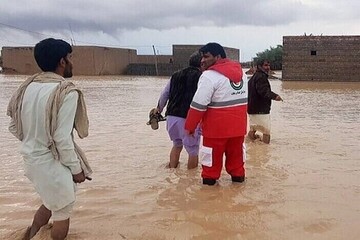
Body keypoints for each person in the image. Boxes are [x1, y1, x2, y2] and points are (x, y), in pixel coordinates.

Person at [7, 38, 92, 240]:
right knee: (62, 213)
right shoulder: (66, 92)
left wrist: (34, 141)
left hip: (30, 160)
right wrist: (76, 170)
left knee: (49, 202)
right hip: (51, 164)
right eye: (70, 58)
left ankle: (29, 237)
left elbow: (14, 126)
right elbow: (61, 138)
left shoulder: (27, 87)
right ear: (62, 62)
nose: (72, 62)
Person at [185, 42, 248, 185]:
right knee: (237, 167)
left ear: (218, 57)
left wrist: (190, 127)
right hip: (238, 130)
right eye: (201, 57)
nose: (202, 60)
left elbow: (198, 106)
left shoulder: (209, 76)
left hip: (215, 131)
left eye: (206, 57)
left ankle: (209, 203)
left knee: (210, 170)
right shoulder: (242, 74)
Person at [156, 52, 202, 169]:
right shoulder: (202, 77)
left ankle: (172, 170)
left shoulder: (175, 75)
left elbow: (164, 95)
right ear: (202, 63)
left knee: (176, 145)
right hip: (189, 119)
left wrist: (158, 110)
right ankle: (190, 180)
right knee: (193, 150)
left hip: (171, 117)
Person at [247, 59, 283, 144]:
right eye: (266, 65)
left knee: (253, 129)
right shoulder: (261, 77)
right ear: (260, 66)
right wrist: (275, 96)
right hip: (261, 110)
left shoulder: (254, 77)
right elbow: (264, 91)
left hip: (252, 109)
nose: (268, 67)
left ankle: (252, 147)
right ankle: (266, 150)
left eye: (268, 65)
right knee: (266, 132)